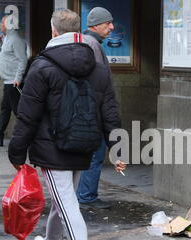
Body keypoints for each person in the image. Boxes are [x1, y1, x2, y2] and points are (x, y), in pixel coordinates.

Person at [8, 9, 126, 240]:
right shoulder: (97, 66)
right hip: (84, 144)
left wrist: (16, 152)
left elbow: (28, 114)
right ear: (77, 30)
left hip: (52, 148)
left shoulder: (41, 66)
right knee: (62, 203)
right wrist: (119, 149)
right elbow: (110, 110)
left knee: (66, 203)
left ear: (53, 31)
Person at [76, 7, 115, 209]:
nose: (111, 27)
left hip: (83, 110)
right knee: (96, 154)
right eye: (107, 23)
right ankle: (86, 196)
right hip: (92, 111)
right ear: (96, 25)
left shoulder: (85, 41)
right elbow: (98, 82)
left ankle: (84, 194)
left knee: (91, 154)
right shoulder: (92, 45)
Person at [0, 15, 27, 147]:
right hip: (8, 81)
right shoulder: (8, 38)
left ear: (8, 25)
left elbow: (22, 60)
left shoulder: (16, 40)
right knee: (5, 109)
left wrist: (18, 79)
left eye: (2, 23)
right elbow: (6, 54)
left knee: (19, 111)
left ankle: (29, 138)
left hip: (13, 82)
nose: (0, 25)